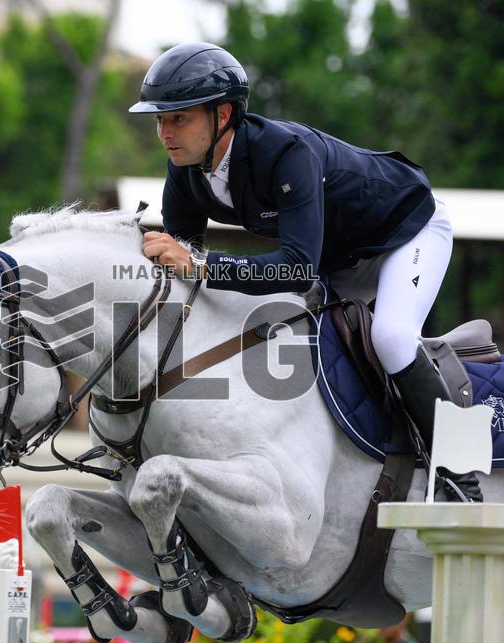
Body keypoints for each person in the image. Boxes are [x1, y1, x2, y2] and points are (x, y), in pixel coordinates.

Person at [129, 42, 481, 502]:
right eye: (159, 120)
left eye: (178, 118)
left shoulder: (285, 152)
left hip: (407, 230)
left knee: (392, 337)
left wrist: (200, 265)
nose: (165, 133)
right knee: (290, 336)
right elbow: (184, 279)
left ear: (223, 115)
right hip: (340, 258)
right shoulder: (185, 169)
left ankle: (463, 473)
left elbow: (294, 269)